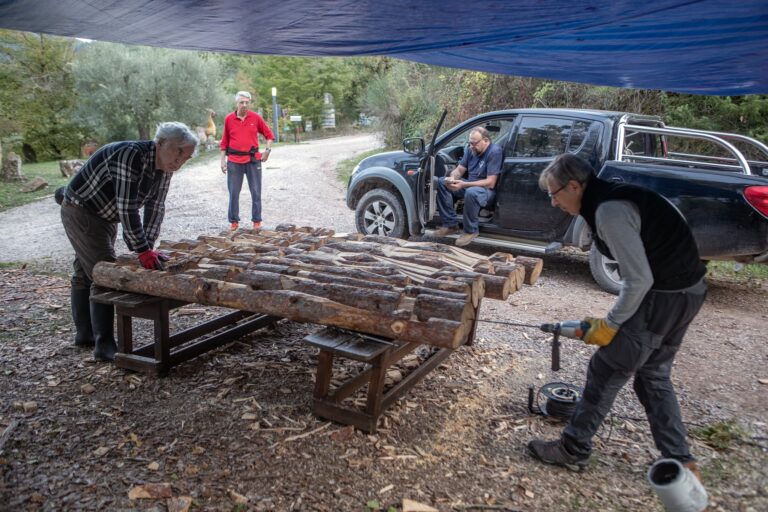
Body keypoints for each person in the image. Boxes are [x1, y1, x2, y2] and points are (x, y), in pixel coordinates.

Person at [527, 153, 707, 481]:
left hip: (664, 297)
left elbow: (639, 280)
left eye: (554, 194)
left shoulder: (609, 210)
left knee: (607, 368)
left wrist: (610, 325)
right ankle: (682, 460)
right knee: (652, 375)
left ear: (574, 186)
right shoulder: (614, 195)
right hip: (689, 291)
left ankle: (572, 449)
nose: (553, 202)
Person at [59, 122, 199, 362]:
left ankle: (85, 334)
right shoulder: (130, 155)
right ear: (161, 143)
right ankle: (103, 345)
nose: (178, 162)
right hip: (81, 210)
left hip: (104, 214)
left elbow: (156, 207)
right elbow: (128, 207)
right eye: (177, 152)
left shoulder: (163, 169)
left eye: (184, 158)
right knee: (104, 273)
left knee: (86, 271)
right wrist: (141, 249)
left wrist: (150, 247)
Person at [434, 127, 502, 246]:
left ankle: (471, 231)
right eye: (469, 143)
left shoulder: (494, 152)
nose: (471, 146)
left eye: (474, 143)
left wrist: (464, 184)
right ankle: (450, 225)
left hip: (486, 191)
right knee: (441, 182)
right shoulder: (470, 150)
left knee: (471, 192)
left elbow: (490, 182)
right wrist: (452, 178)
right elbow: (460, 170)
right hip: (469, 185)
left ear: (485, 140)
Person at [220, 91, 274, 230]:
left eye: (247, 102)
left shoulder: (255, 118)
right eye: (241, 102)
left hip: (253, 160)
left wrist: (267, 151)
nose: (244, 105)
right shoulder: (228, 119)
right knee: (233, 193)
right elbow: (224, 142)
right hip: (234, 160)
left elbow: (269, 135)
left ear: (249, 103)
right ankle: (234, 222)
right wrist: (222, 161)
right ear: (236, 103)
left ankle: (257, 222)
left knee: (256, 192)